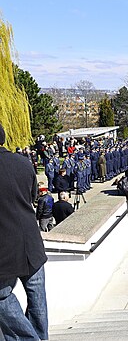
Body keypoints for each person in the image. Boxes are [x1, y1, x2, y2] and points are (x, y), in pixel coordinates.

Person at [0, 123, 49, 340]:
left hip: (4, 247)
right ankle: (40, 336)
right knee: (37, 296)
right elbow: (31, 197)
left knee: (2, 297)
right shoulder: (23, 162)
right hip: (31, 242)